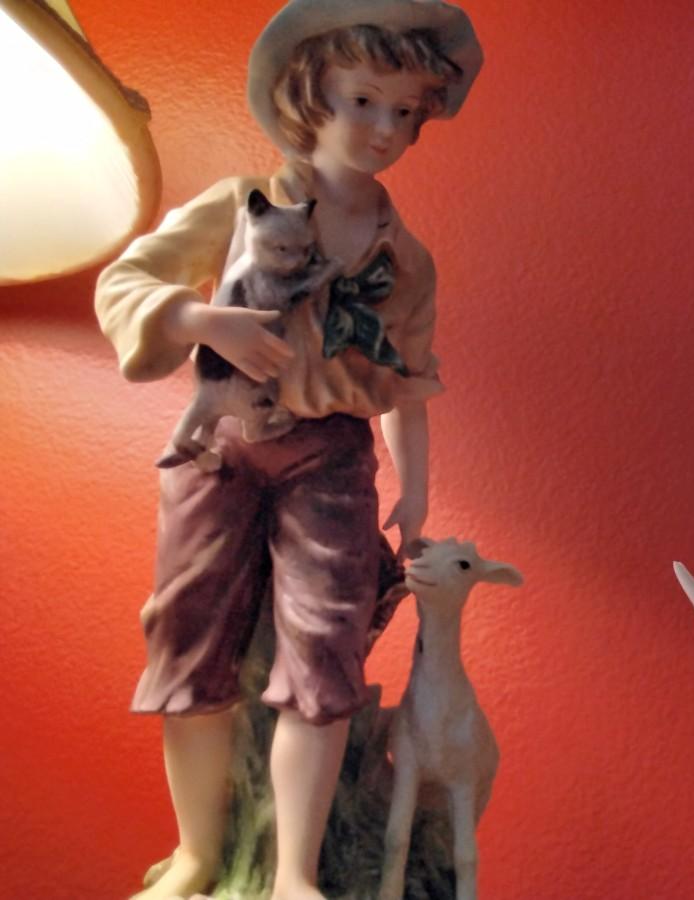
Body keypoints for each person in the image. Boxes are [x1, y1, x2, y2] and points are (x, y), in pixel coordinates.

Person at [94, 2, 482, 898]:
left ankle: (296, 875)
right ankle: (198, 853)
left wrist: (416, 494)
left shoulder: (405, 261)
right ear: (311, 95)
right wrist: (202, 320)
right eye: (363, 101)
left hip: (330, 458)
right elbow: (128, 279)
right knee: (188, 635)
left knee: (325, 649)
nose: (384, 129)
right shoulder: (241, 206)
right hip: (223, 443)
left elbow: (406, 384)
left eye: (404, 111)